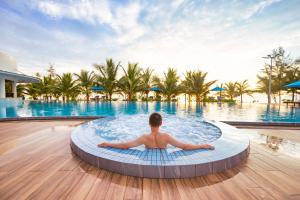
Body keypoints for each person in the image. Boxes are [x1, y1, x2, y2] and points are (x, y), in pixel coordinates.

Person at [98, 112, 215, 150]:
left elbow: (125, 145)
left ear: (149, 124)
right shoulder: (166, 137)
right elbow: (185, 146)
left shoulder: (144, 138)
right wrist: (202, 145)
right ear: (161, 123)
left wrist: (108, 143)